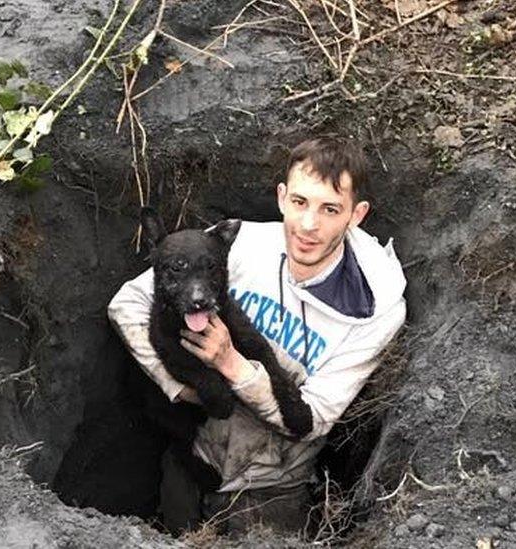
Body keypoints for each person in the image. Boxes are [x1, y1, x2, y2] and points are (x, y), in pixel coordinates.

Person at [107, 136, 407, 535]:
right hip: (190, 456)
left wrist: (232, 366)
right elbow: (127, 304)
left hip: (269, 489)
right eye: (300, 202)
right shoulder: (239, 242)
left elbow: (312, 419)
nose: (308, 225)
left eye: (330, 209)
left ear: (356, 214)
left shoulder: (374, 307)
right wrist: (181, 389)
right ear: (282, 197)